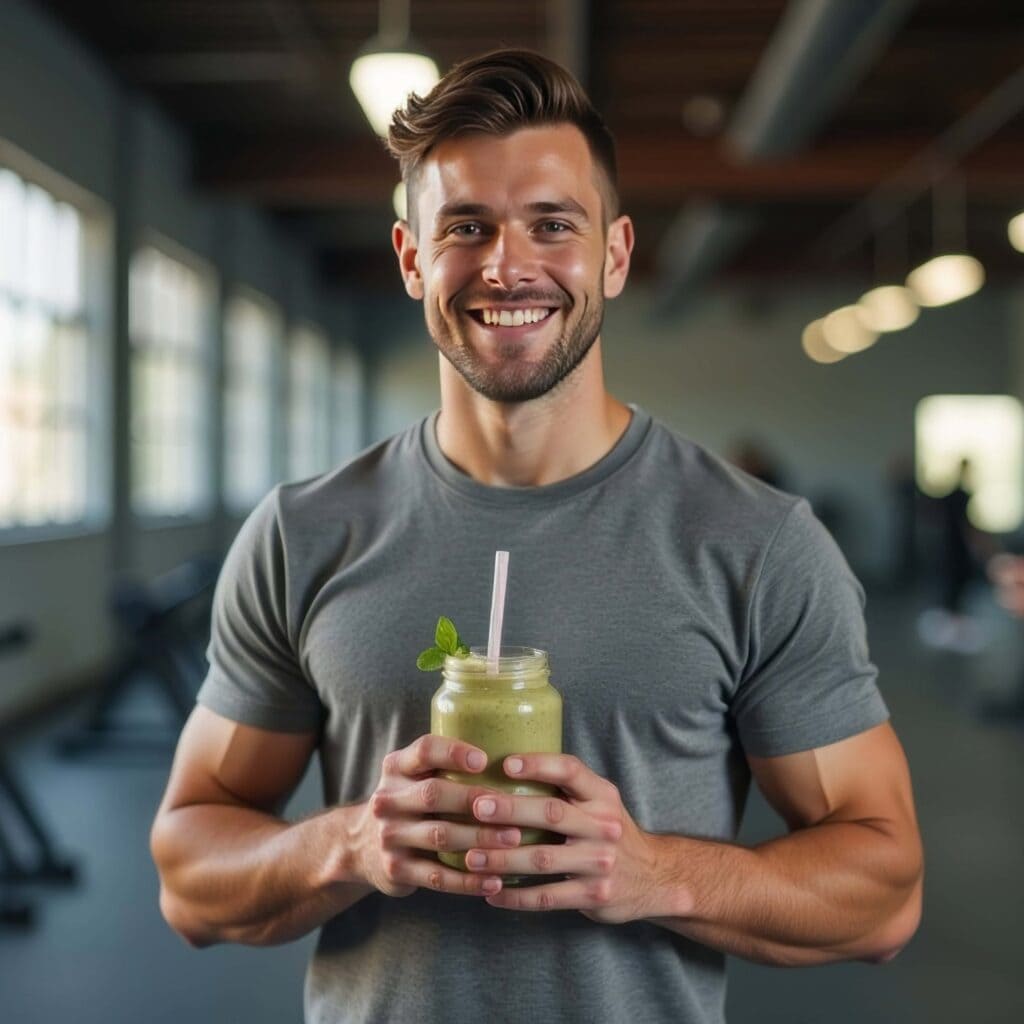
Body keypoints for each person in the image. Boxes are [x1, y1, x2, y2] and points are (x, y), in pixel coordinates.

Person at [150, 50, 923, 1024]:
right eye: (465, 226)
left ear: (613, 253)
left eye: (551, 224)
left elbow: (885, 892)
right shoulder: (305, 534)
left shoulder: (754, 542)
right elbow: (189, 875)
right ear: (410, 258)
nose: (507, 263)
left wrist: (650, 872)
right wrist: (349, 844)